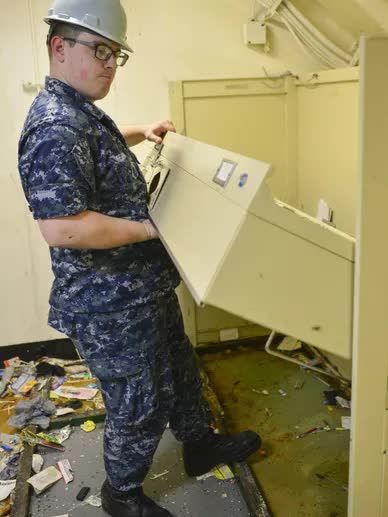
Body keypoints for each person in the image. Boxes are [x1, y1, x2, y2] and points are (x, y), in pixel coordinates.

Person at [18, 1, 261, 515]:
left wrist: (139, 132)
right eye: (100, 50)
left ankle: (199, 446)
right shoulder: (54, 126)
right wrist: (152, 227)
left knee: (180, 368)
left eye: (116, 54)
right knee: (138, 404)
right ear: (59, 47)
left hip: (139, 287)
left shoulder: (79, 111)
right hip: (109, 302)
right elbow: (61, 227)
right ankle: (121, 495)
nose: (110, 62)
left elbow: (97, 151)